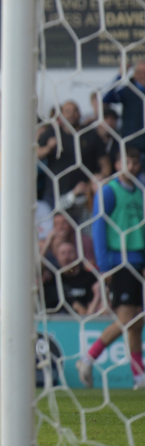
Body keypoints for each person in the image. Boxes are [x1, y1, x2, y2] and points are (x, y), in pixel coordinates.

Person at [79, 146, 145, 389]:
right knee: (127, 320)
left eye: (135, 162)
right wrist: (105, 267)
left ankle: (139, 376)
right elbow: (98, 229)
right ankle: (88, 359)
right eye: (127, 161)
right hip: (119, 262)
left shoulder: (140, 192)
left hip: (137, 262)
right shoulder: (108, 191)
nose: (132, 166)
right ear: (117, 165)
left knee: (137, 321)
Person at [43, 241, 100, 316]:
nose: (67, 257)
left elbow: (90, 310)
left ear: (78, 255)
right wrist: (74, 304)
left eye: (70, 252)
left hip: (85, 318)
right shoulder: (52, 278)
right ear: (57, 257)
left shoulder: (89, 278)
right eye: (63, 253)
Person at [103, 61, 145, 152]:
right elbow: (105, 98)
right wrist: (120, 76)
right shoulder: (127, 90)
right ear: (134, 74)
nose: (143, 75)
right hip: (131, 144)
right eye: (140, 72)